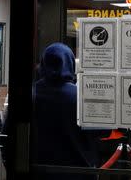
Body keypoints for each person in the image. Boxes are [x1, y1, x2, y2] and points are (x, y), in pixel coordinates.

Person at [32, 42, 98, 178]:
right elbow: (101, 131)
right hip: (78, 172)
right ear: (70, 64)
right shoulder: (82, 96)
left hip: (39, 171)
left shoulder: (32, 93)